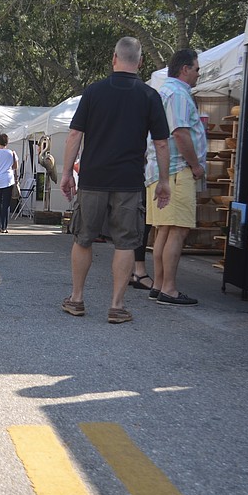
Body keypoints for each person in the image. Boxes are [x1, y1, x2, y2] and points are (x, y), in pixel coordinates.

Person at [59, 36, 170, 324]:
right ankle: (117, 306)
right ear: (141, 62)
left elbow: (74, 135)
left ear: (114, 58)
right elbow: (161, 144)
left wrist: (66, 172)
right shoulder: (149, 95)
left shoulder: (94, 92)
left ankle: (77, 299)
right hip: (129, 181)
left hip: (93, 178)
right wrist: (165, 181)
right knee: (125, 243)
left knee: (83, 238)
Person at [144, 49, 206, 306]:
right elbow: (180, 134)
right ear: (185, 69)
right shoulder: (179, 94)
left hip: (160, 170)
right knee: (177, 230)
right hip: (176, 170)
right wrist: (196, 165)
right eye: (196, 69)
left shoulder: (162, 92)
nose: (198, 74)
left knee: (163, 231)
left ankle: (159, 284)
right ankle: (168, 287)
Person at [0, 134, 18, 233]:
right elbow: (15, 166)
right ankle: (4, 226)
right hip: (8, 179)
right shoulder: (12, 153)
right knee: (6, 204)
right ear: (7, 142)